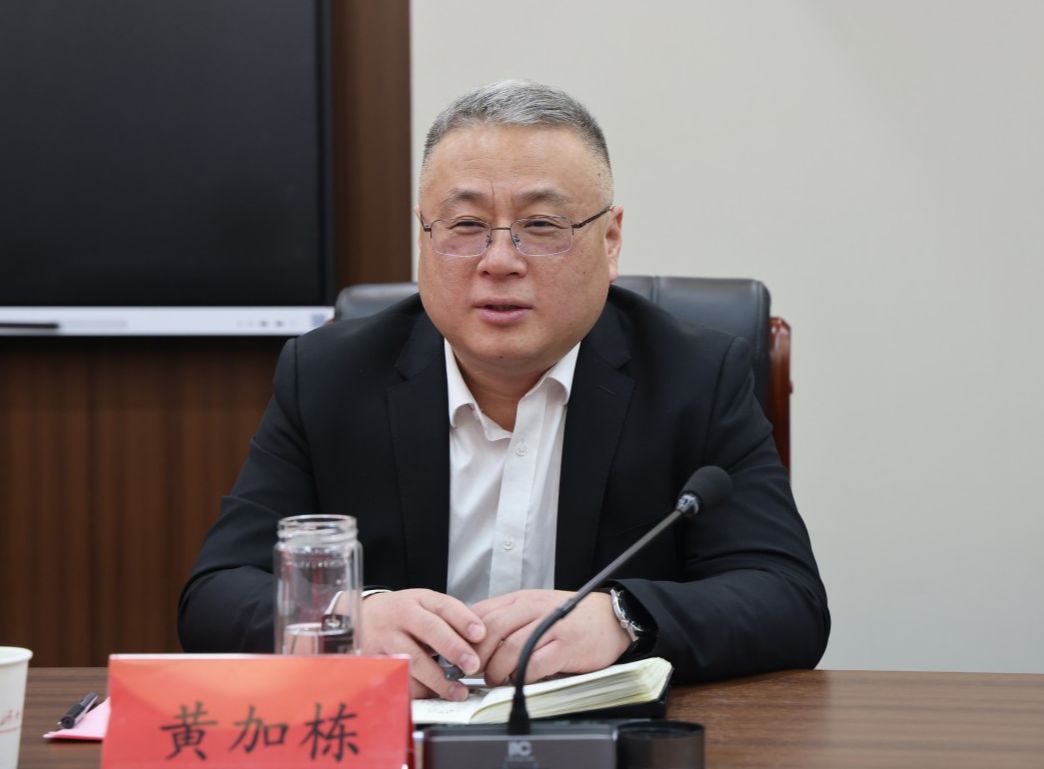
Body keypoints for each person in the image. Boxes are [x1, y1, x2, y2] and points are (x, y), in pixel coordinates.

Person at [178, 80, 829, 701]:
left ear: (610, 241)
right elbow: (215, 594)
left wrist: (621, 618)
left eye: (541, 225)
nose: (498, 261)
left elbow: (788, 599)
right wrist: (352, 620)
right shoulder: (329, 378)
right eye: (464, 225)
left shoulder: (696, 379)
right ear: (423, 236)